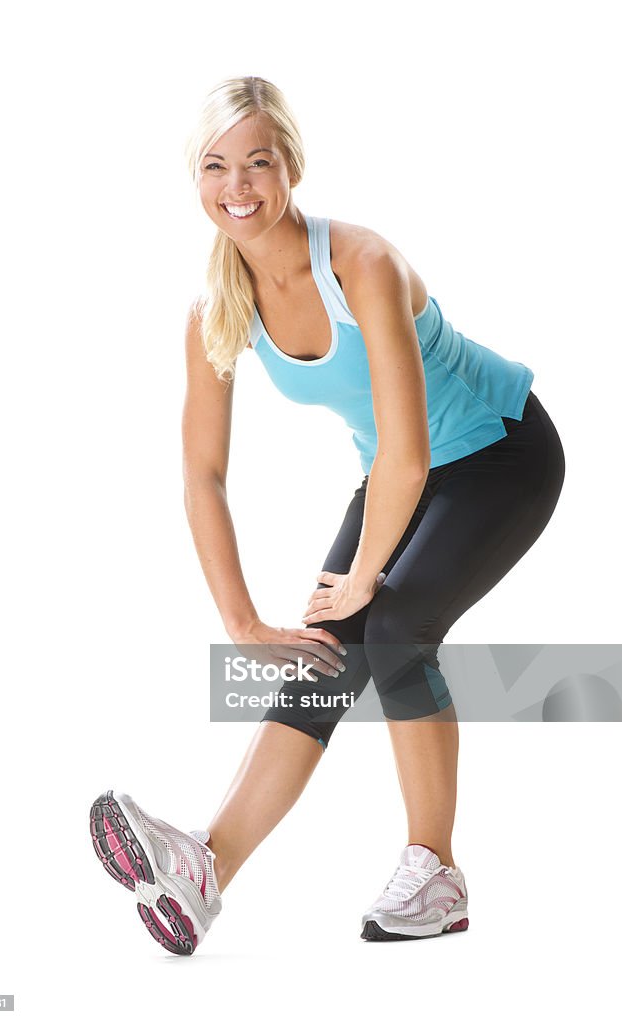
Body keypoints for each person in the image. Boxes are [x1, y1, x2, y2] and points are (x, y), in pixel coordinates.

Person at [89, 75, 566, 956]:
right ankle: (203, 872)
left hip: (498, 453)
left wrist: (360, 576)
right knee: (321, 656)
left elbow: (412, 451)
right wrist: (240, 619)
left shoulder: (362, 263)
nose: (238, 186)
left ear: (292, 166)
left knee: (392, 623)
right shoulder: (215, 309)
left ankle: (437, 873)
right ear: (194, 180)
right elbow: (201, 473)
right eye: (215, 166)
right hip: (397, 475)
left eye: (258, 162)